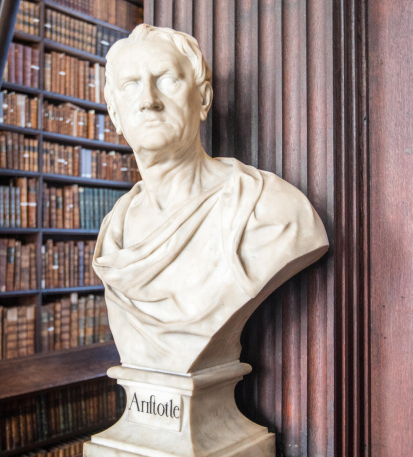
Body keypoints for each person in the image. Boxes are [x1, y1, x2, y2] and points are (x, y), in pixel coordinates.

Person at [92, 24, 329, 374]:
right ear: (115, 114)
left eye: (167, 80)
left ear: (202, 99)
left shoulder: (271, 210)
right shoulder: (116, 230)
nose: (148, 100)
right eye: (131, 86)